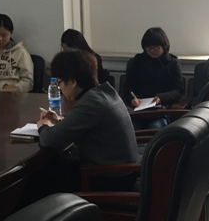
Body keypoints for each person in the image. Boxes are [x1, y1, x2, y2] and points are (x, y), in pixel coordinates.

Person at [33, 50, 138, 194]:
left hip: (109, 179)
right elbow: (87, 122)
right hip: (121, 171)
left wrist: (43, 126)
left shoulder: (91, 103)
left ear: (73, 82)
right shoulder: (104, 92)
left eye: (59, 82)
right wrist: (60, 121)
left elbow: (49, 140)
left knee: (41, 173)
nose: (60, 88)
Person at [123, 27, 185, 130]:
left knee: (155, 127)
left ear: (164, 46)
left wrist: (161, 98)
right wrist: (132, 99)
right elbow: (128, 86)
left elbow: (179, 90)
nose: (151, 51)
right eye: (148, 48)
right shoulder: (138, 61)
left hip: (160, 109)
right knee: (130, 128)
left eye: (155, 48)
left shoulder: (172, 63)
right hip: (138, 109)